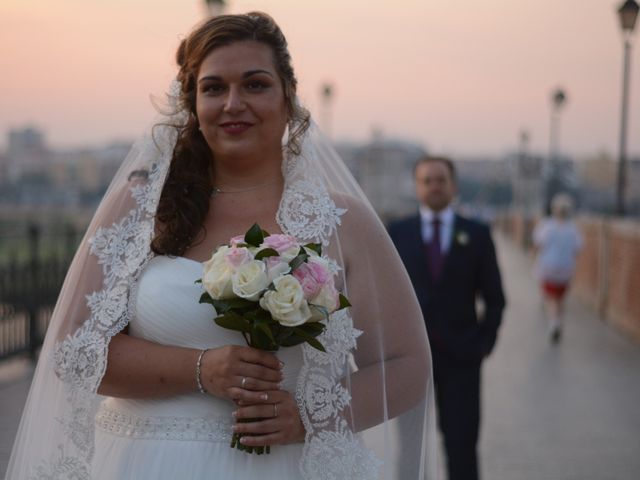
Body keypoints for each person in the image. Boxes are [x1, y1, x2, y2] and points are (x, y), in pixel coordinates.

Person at [6, 12, 437, 479]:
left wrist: (310, 419)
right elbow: (74, 351)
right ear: (193, 103)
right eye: (213, 88)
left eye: (255, 85)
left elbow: (406, 364)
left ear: (288, 98)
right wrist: (200, 368)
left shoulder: (342, 222)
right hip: (145, 463)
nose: (233, 103)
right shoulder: (140, 208)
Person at [388, 155, 506, 480]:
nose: (434, 186)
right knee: (411, 448)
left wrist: (483, 344)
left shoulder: (477, 234)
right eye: (427, 180)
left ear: (453, 186)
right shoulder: (397, 233)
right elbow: (382, 292)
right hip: (411, 360)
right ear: (417, 187)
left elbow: (495, 298)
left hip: (462, 359)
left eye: (441, 180)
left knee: (462, 445)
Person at [533, 192, 582, 343]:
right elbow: (578, 248)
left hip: (549, 267)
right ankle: (558, 320)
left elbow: (538, 243)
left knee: (551, 298)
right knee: (560, 298)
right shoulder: (573, 229)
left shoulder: (547, 226)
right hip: (565, 269)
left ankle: (554, 323)